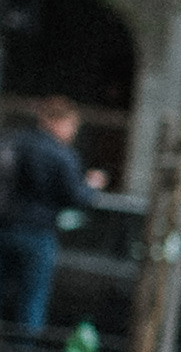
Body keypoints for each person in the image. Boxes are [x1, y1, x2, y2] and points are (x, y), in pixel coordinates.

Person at [0, 95, 106, 332]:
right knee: (32, 299)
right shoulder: (61, 155)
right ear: (59, 122)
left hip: (5, 226)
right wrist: (92, 185)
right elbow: (77, 197)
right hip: (39, 232)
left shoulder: (15, 142)